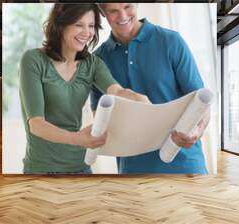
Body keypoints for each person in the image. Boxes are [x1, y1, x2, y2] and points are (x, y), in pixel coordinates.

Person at [19, 4, 149, 174]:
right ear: (61, 24)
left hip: (80, 167)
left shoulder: (92, 64)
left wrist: (138, 98)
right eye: (79, 25)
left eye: (91, 25)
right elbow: (36, 125)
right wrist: (78, 139)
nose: (87, 32)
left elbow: (116, 91)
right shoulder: (33, 60)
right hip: (41, 168)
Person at [91, 3, 210, 174]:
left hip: (185, 164)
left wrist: (197, 131)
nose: (123, 16)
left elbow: (202, 103)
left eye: (127, 6)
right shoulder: (98, 61)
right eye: (113, 11)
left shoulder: (171, 41)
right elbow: (100, 117)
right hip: (133, 171)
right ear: (102, 13)